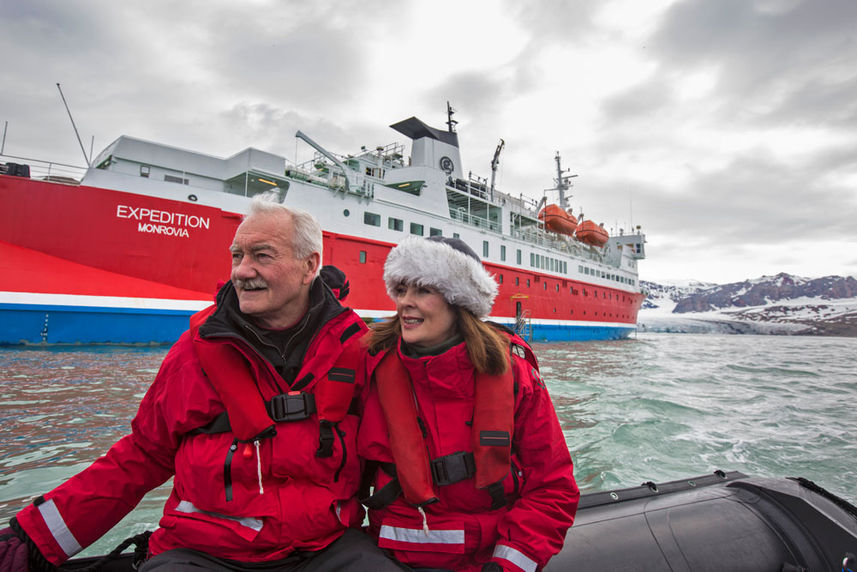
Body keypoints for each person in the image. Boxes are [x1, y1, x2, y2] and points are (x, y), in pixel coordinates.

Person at [0, 197, 406, 571]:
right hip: (205, 553)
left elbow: (411, 446)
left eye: (262, 256)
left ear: (309, 265)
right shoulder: (196, 350)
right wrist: (31, 538)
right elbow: (141, 456)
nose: (242, 271)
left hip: (325, 548)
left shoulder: (357, 349)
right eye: (237, 256)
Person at [358, 236, 579, 572]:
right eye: (401, 290)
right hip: (391, 557)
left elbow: (552, 487)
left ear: (458, 301)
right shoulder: (371, 367)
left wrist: (508, 565)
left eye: (423, 290)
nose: (405, 302)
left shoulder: (515, 376)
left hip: (486, 559)